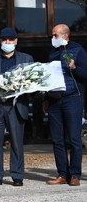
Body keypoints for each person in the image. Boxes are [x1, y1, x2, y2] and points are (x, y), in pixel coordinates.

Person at [0, 28, 33, 187]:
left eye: (11, 40)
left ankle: (17, 175)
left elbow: (31, 80)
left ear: (16, 41)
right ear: (0, 41)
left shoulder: (26, 59)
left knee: (17, 142)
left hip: (16, 106)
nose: (8, 43)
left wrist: (22, 86)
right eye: (5, 40)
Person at [45, 24, 86, 187]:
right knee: (57, 140)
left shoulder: (78, 50)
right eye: (52, 35)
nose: (52, 38)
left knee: (74, 139)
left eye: (55, 35)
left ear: (65, 36)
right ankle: (63, 173)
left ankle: (75, 174)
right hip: (54, 101)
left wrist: (75, 68)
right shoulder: (52, 53)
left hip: (72, 99)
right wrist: (46, 100)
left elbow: (85, 74)